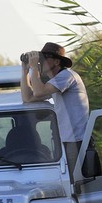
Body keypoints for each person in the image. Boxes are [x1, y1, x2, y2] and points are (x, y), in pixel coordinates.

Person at [20, 41, 90, 172]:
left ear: (57, 62)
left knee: (76, 183)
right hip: (66, 140)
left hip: (77, 141)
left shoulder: (67, 76)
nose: (41, 61)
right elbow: (28, 98)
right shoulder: (56, 81)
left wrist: (34, 68)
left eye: (45, 58)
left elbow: (39, 91)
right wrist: (25, 71)